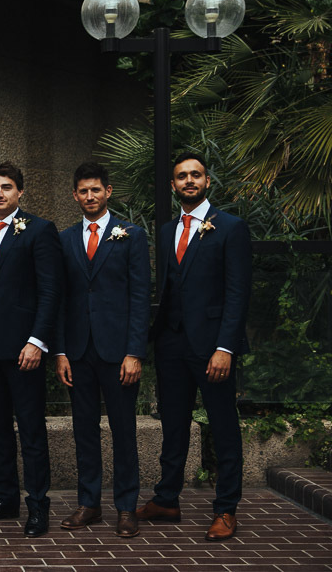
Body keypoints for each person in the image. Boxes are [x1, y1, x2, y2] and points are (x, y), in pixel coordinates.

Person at [138, 152, 251, 541]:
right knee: (173, 424)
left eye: (196, 175)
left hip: (212, 346)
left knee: (223, 426)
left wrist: (226, 347)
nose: (189, 181)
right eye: (182, 176)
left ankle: (226, 509)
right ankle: (167, 498)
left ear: (207, 182)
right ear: (173, 186)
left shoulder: (231, 227)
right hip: (171, 343)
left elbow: (237, 293)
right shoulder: (168, 230)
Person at [0, 161, 61, 537]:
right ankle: (6, 498)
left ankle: (38, 505)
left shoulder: (40, 231)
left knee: (32, 431)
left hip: (25, 350)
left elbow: (50, 291)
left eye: (6, 187)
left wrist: (37, 341)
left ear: (20, 192)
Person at [54, 162, 149, 538]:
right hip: (78, 352)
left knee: (124, 430)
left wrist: (135, 352)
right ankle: (89, 503)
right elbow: (58, 299)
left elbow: (141, 297)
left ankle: (126, 507)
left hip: (118, 352)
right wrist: (59, 351)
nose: (90, 197)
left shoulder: (132, 236)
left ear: (108, 192)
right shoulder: (63, 240)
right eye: (83, 191)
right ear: (74, 195)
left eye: (96, 190)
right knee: (84, 431)